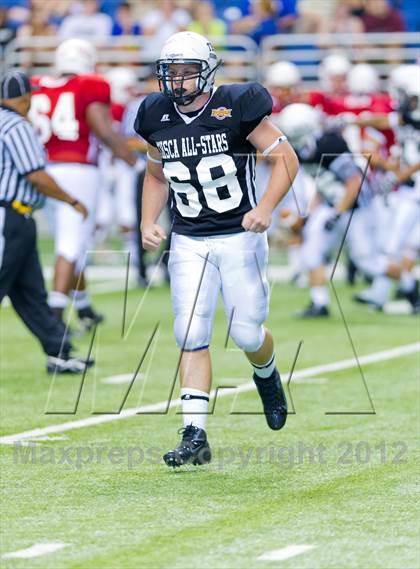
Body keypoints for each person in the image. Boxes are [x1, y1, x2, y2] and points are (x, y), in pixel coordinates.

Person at [134, 31, 299, 468]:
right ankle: (194, 432)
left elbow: (287, 159)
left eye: (187, 72)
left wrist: (265, 208)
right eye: (172, 72)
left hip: (239, 235)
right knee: (190, 333)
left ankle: (267, 376)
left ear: (206, 73)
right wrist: (149, 221)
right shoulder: (154, 113)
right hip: (189, 238)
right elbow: (155, 173)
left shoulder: (237, 104)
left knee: (246, 333)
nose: (178, 81)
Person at [29, 38, 142, 331]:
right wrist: (134, 162)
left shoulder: (38, 84)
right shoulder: (90, 84)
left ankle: (83, 307)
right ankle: (53, 316)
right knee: (71, 243)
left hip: (43, 169)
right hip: (78, 170)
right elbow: (103, 131)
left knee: (71, 241)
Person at [0, 70, 93, 374]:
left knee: (30, 292)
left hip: (18, 217)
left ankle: (59, 352)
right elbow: (36, 175)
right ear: (26, 98)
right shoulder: (16, 125)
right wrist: (73, 200)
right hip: (8, 215)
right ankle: (59, 350)